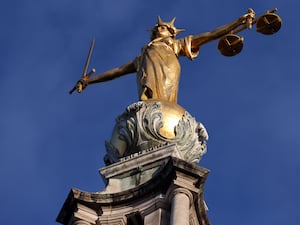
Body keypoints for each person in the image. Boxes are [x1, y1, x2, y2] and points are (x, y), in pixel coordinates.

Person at [76, 10, 255, 104]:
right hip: (148, 74)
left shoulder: (176, 45)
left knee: (166, 105)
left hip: (168, 70)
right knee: (149, 103)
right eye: (156, 29)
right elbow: (118, 71)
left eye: (161, 28)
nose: (157, 30)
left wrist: (238, 21)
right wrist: (89, 81)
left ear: (171, 33)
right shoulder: (143, 55)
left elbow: (210, 34)